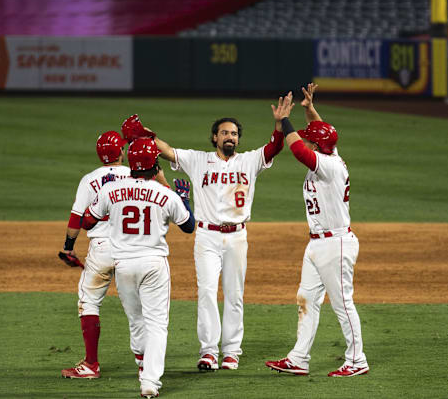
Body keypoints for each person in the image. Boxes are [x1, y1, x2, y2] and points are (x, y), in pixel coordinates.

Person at [148, 101, 286, 371]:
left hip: (237, 237)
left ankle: (232, 351)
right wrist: (146, 136)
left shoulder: (249, 160)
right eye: (225, 133)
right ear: (215, 137)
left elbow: (274, 147)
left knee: (234, 295)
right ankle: (209, 352)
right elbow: (166, 151)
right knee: (207, 292)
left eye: (234, 134)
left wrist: (279, 124)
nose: (230, 137)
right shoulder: (199, 160)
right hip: (207, 237)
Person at [265, 83, 369, 377]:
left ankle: (357, 360)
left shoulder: (327, 165)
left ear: (318, 147)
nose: (307, 140)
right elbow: (321, 132)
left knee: (343, 303)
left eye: (312, 139)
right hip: (317, 245)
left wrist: (284, 121)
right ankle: (299, 358)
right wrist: (310, 110)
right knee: (307, 298)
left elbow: (298, 149)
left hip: (335, 244)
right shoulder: (329, 153)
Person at [82, 138, 195, 398]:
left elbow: (88, 222)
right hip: (154, 265)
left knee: (136, 321)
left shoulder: (111, 191)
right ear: (155, 164)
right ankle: (149, 382)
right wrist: (183, 197)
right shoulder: (165, 194)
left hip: (123, 265)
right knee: (156, 324)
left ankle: (142, 364)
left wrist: (106, 207)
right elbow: (189, 226)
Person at [59, 130, 130, 379]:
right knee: (138, 307)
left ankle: (91, 365)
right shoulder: (136, 177)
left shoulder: (89, 180)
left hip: (101, 249)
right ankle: (147, 364)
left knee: (89, 303)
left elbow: (76, 218)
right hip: (133, 249)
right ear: (121, 152)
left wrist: (68, 247)